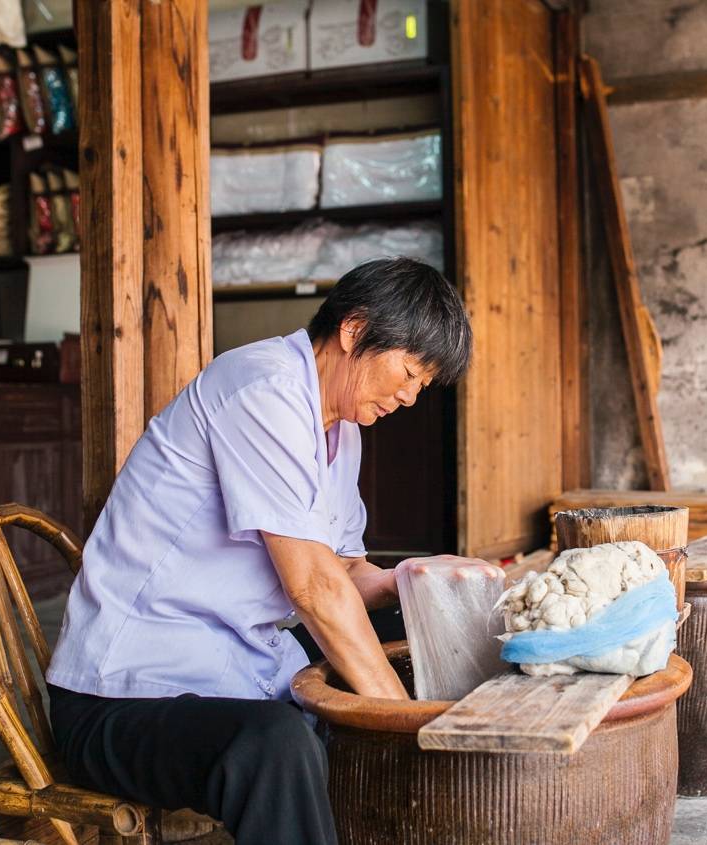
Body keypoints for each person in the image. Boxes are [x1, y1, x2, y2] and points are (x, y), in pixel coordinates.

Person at [45, 257, 475, 844]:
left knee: (411, 612)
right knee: (273, 744)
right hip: (124, 695)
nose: (409, 397)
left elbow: (343, 568)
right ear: (354, 332)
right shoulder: (264, 387)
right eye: (407, 373)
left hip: (233, 664)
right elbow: (315, 588)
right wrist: (401, 726)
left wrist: (418, 578)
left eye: (422, 386)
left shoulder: (339, 427)